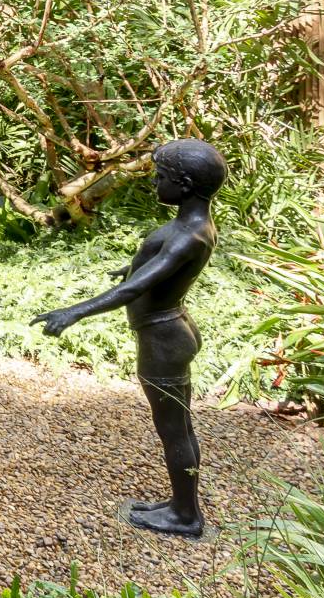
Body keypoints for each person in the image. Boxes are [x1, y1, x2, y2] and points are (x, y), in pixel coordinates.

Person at [31, 138, 224, 538]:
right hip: (170, 329)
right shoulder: (195, 224)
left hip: (163, 339)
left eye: (163, 176)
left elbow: (133, 291)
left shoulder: (188, 236)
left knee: (175, 428)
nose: (155, 182)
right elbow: (160, 268)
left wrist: (73, 312)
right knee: (177, 426)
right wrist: (134, 265)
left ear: (184, 184)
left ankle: (186, 516)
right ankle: (179, 504)